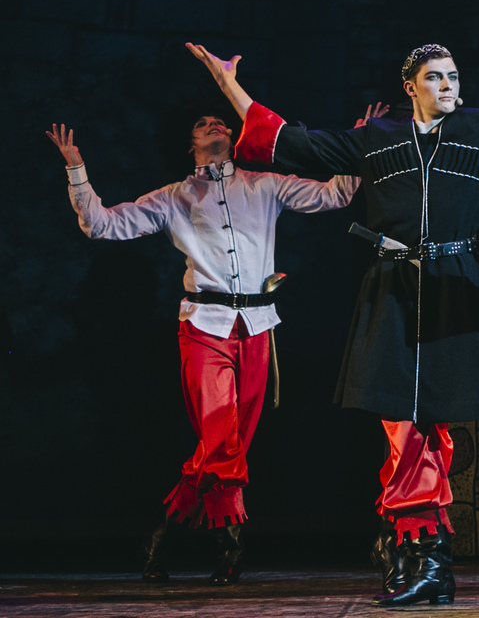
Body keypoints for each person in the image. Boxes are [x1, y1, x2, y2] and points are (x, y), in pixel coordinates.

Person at [187, 23, 479, 607]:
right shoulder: (378, 138)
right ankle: (415, 552)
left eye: (453, 76)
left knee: (431, 423)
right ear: (410, 87)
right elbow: (295, 143)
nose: (448, 85)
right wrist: (230, 86)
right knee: (400, 421)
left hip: (452, 287)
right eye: (435, 77)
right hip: (392, 287)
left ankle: (419, 553)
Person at [46, 103, 378, 584]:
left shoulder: (265, 185)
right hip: (205, 325)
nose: (214, 124)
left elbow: (338, 194)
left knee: (226, 444)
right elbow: (101, 224)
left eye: (219, 121)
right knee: (223, 437)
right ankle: (230, 542)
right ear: (191, 146)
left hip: (257, 326)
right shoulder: (174, 197)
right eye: (202, 125)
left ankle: (162, 536)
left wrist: (359, 142)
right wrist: (76, 169)